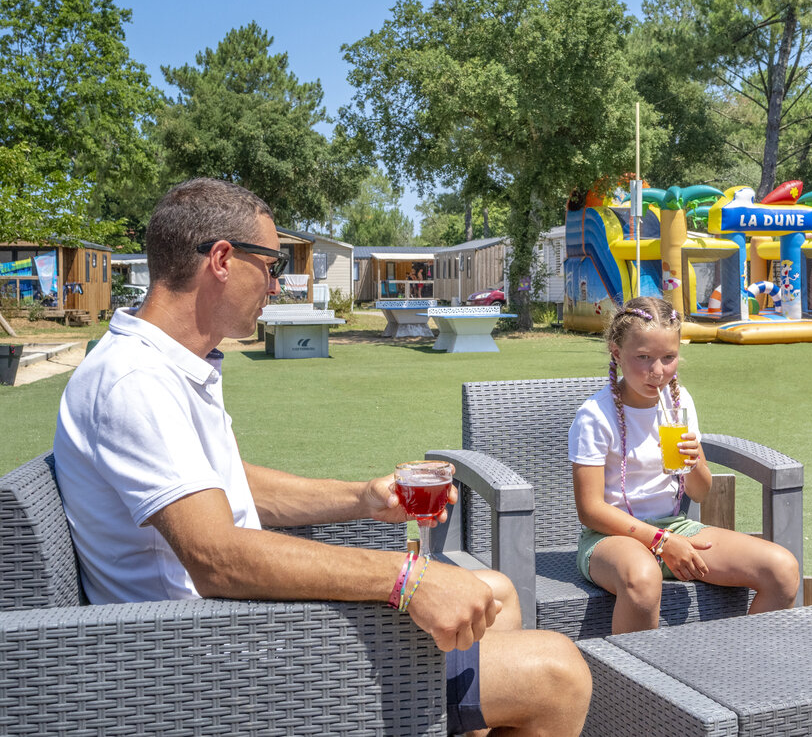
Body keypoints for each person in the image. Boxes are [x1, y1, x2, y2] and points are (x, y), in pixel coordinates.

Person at [53, 178, 590, 737]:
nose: (276, 284)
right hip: (205, 657)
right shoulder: (136, 382)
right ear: (221, 260)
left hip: (230, 625)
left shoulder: (169, 367)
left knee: (495, 597)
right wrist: (408, 578)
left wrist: (362, 497)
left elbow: (227, 485)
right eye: (271, 264)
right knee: (559, 674)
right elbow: (217, 558)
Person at [569, 295, 799, 634]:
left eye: (669, 358)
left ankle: (748, 673)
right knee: (643, 578)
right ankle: (634, 684)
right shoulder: (595, 416)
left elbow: (701, 492)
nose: (657, 372)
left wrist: (693, 463)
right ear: (617, 354)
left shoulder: (678, 403)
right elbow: (589, 510)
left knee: (782, 569)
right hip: (611, 539)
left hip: (677, 528)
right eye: (644, 358)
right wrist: (660, 542)